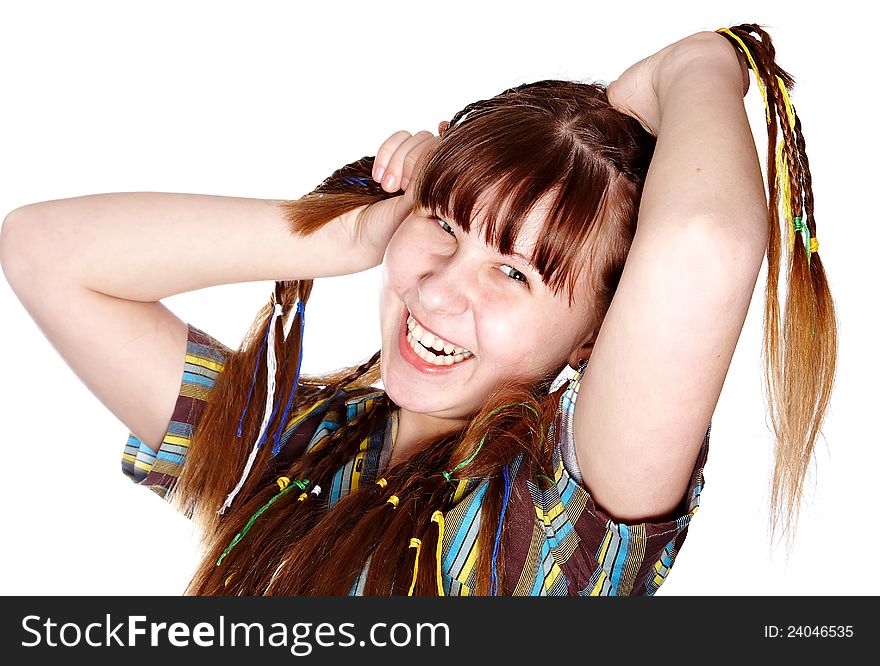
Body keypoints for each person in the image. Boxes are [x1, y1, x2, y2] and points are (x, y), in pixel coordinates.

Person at [0, 24, 836, 596]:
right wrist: (344, 237)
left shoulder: (550, 516)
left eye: (514, 273)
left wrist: (698, 62)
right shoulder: (292, 446)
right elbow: (42, 249)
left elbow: (707, 242)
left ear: (597, 334)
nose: (437, 291)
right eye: (442, 226)